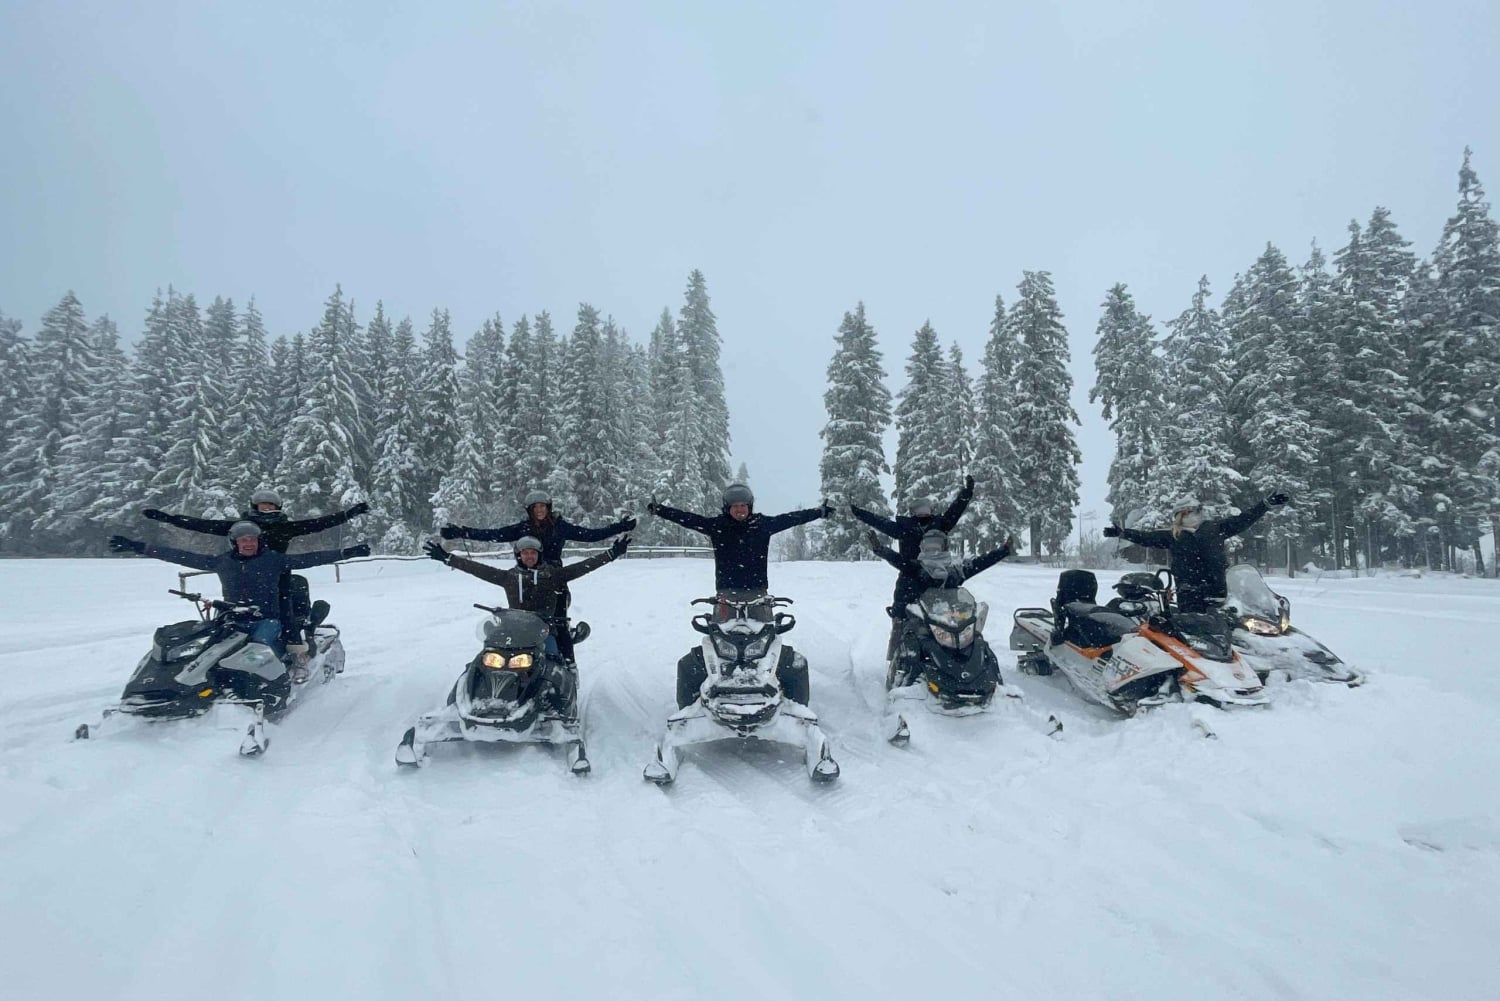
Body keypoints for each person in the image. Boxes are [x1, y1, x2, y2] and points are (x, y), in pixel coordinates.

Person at [108, 522, 368, 681]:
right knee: (207, 648)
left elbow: (312, 558)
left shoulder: (273, 560)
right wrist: (138, 547)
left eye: (252, 539)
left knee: (259, 648)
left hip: (267, 618)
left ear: (259, 542)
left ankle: (282, 675)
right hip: (231, 617)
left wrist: (348, 552)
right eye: (243, 540)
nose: (248, 544)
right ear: (235, 542)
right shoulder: (223, 561)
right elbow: (180, 555)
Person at [424, 533, 630, 665]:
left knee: (552, 661)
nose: (529, 556)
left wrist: (611, 554)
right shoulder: (509, 577)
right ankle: (468, 693)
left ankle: (562, 691)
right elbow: (478, 569)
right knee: (483, 661)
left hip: (545, 629)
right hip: (514, 630)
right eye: (525, 553)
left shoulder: (553, 574)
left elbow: (584, 566)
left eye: (532, 552)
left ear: (538, 555)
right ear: (519, 555)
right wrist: (448, 558)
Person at [851, 476, 978, 654]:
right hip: (909, 575)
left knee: (943, 619)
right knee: (901, 619)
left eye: (926, 508)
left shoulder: (940, 524)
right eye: (919, 508)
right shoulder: (904, 527)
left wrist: (967, 492)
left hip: (935, 579)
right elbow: (879, 521)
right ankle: (895, 658)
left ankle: (945, 652)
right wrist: (860, 513)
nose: (923, 511)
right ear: (913, 511)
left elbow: (955, 510)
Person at [648, 483, 831, 605]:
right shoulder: (717, 526)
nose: (740, 509)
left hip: (758, 593)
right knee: (720, 635)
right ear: (728, 508)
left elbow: (792, 519)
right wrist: (660, 510)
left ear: (749, 506)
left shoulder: (762, 525)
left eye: (743, 505)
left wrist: (819, 512)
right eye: (735, 506)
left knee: (765, 634)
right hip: (726, 593)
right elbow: (687, 519)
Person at [1103, 493, 1290, 612]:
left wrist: (1264, 505)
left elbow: (1243, 520)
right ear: (1180, 516)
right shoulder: (1173, 535)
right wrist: (1122, 532)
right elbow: (1146, 537)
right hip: (1189, 596)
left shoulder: (1215, 528)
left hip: (1220, 592)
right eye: (1189, 512)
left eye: (1197, 510)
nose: (1195, 514)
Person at [867, 527, 1016, 665]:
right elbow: (897, 559)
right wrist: (880, 549)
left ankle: (976, 667)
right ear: (923, 547)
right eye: (929, 546)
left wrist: (1003, 550)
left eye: (936, 546)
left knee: (973, 640)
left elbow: (979, 563)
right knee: (909, 639)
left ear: (944, 547)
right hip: (922, 617)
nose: (933, 550)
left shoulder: (954, 571)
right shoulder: (915, 567)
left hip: (949, 617)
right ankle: (900, 666)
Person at [440, 490, 635, 567]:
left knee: (559, 621)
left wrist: (619, 527)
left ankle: (567, 655)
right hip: (524, 573)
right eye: (536, 507)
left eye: (543, 506)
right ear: (530, 510)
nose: (540, 510)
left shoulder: (560, 527)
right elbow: (494, 534)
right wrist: (461, 532)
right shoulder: (523, 528)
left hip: (553, 574)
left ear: (548, 508)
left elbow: (592, 536)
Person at [141, 489, 370, 553]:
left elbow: (319, 523)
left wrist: (349, 514)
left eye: (271, 506)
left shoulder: (285, 528)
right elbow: (204, 525)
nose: (267, 509)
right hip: (241, 569)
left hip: (276, 569)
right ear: (254, 507)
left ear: (278, 508)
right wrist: (171, 519)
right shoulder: (240, 528)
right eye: (263, 506)